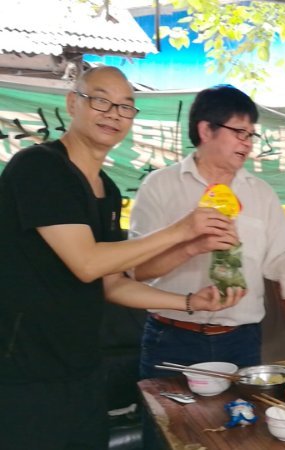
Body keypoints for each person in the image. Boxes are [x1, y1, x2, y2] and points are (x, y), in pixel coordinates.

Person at [0, 66, 245, 450]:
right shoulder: (39, 167)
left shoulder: (108, 191)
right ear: (71, 103)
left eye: (126, 107)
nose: (114, 114)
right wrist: (183, 229)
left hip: (80, 366)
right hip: (22, 370)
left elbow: (113, 283)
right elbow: (88, 263)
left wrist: (188, 298)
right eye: (101, 100)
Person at [129, 84, 285, 379]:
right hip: (173, 337)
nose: (248, 143)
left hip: (240, 340)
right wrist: (190, 244)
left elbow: (281, 256)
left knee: (240, 422)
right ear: (206, 130)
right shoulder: (160, 186)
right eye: (239, 132)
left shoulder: (260, 193)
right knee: (168, 423)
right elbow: (138, 270)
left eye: (251, 134)